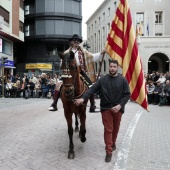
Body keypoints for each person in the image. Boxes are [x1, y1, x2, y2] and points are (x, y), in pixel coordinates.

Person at [74, 59, 130, 162]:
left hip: (118, 109)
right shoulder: (102, 79)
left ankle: (113, 142)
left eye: (114, 66)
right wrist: (82, 98)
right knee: (108, 129)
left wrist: (120, 105)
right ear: (109, 67)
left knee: (115, 129)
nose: (112, 68)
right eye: (111, 66)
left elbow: (127, 95)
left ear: (117, 68)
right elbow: (92, 89)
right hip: (106, 109)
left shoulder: (123, 80)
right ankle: (108, 151)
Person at [48, 34, 106, 112]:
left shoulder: (84, 52)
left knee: (91, 86)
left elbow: (93, 57)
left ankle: (92, 105)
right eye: (74, 40)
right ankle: (54, 104)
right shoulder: (66, 53)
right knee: (58, 84)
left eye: (78, 40)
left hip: (80, 72)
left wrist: (101, 53)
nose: (76, 42)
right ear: (71, 42)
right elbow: (62, 63)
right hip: (68, 72)